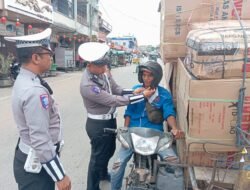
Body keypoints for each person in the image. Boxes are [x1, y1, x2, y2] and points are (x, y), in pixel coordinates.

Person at [78, 42, 155, 190]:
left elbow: (117, 89)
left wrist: (134, 92)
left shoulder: (103, 73)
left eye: (105, 65)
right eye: (101, 66)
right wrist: (142, 96)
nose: (105, 69)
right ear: (90, 65)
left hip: (109, 120)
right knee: (97, 158)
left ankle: (102, 174)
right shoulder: (88, 85)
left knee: (109, 151)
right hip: (97, 125)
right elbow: (113, 99)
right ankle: (92, 187)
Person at [4, 29, 71, 190]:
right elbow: (40, 139)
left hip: (31, 158)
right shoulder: (34, 90)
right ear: (35, 58)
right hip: (36, 168)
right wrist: (60, 175)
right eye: (48, 53)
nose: (51, 57)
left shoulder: (26, 78)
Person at [111, 61, 185, 190]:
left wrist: (174, 128)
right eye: (144, 75)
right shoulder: (136, 90)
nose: (146, 78)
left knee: (174, 164)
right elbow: (128, 112)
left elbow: (169, 113)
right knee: (117, 166)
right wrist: (125, 129)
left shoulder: (163, 94)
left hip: (156, 134)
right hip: (133, 133)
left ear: (156, 77)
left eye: (150, 76)